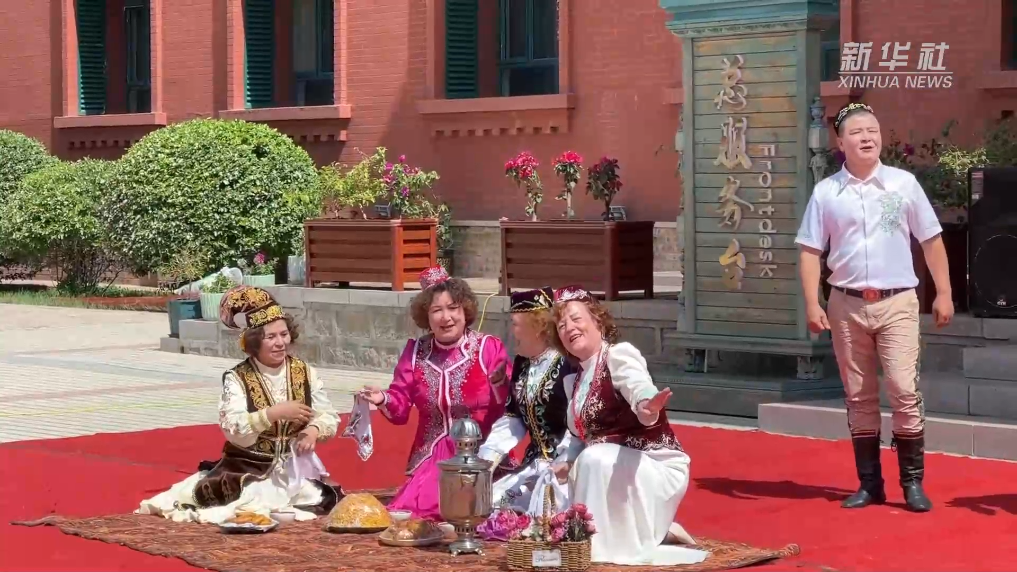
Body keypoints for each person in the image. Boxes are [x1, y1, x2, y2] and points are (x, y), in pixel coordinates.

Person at [796, 102, 954, 513]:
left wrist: (944, 292)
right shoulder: (827, 192)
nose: (867, 137)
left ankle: (912, 482)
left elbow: (931, 240)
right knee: (859, 395)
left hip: (897, 301)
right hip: (846, 305)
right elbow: (810, 250)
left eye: (872, 130)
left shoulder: (904, 184)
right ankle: (870, 484)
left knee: (902, 388)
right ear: (840, 142)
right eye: (857, 131)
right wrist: (813, 302)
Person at [137, 286, 341, 523]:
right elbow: (233, 427)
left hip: (293, 467)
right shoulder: (237, 378)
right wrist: (273, 413)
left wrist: (313, 430)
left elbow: (327, 414)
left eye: (284, 334)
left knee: (319, 496)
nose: (280, 343)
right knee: (251, 501)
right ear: (254, 341)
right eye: (271, 337)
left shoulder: (304, 372)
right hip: (247, 467)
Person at [549, 286, 708, 566]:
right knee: (571, 469)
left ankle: (603, 548)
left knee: (594, 459)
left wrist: (646, 404)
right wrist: (566, 461)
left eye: (576, 319)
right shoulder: (574, 381)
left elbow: (636, 384)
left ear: (597, 321)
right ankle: (630, 534)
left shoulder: (618, 356)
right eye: (562, 326)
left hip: (653, 465)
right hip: (613, 468)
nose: (569, 328)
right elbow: (579, 437)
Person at [359, 265, 510, 520]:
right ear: (426, 317)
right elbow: (400, 406)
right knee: (423, 510)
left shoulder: (488, 348)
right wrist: (383, 398)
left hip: (483, 454)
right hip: (432, 456)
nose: (446, 317)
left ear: (465, 311)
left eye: (453, 308)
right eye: (437, 310)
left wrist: (500, 384)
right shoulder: (415, 352)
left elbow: (508, 404)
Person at [477, 287, 574, 516]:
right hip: (532, 463)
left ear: (537, 327)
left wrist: (565, 461)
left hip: (564, 466)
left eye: (515, 324)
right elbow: (514, 417)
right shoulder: (523, 362)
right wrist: (486, 458)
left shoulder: (567, 363)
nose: (511, 331)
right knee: (489, 503)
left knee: (545, 512)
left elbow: (578, 421)